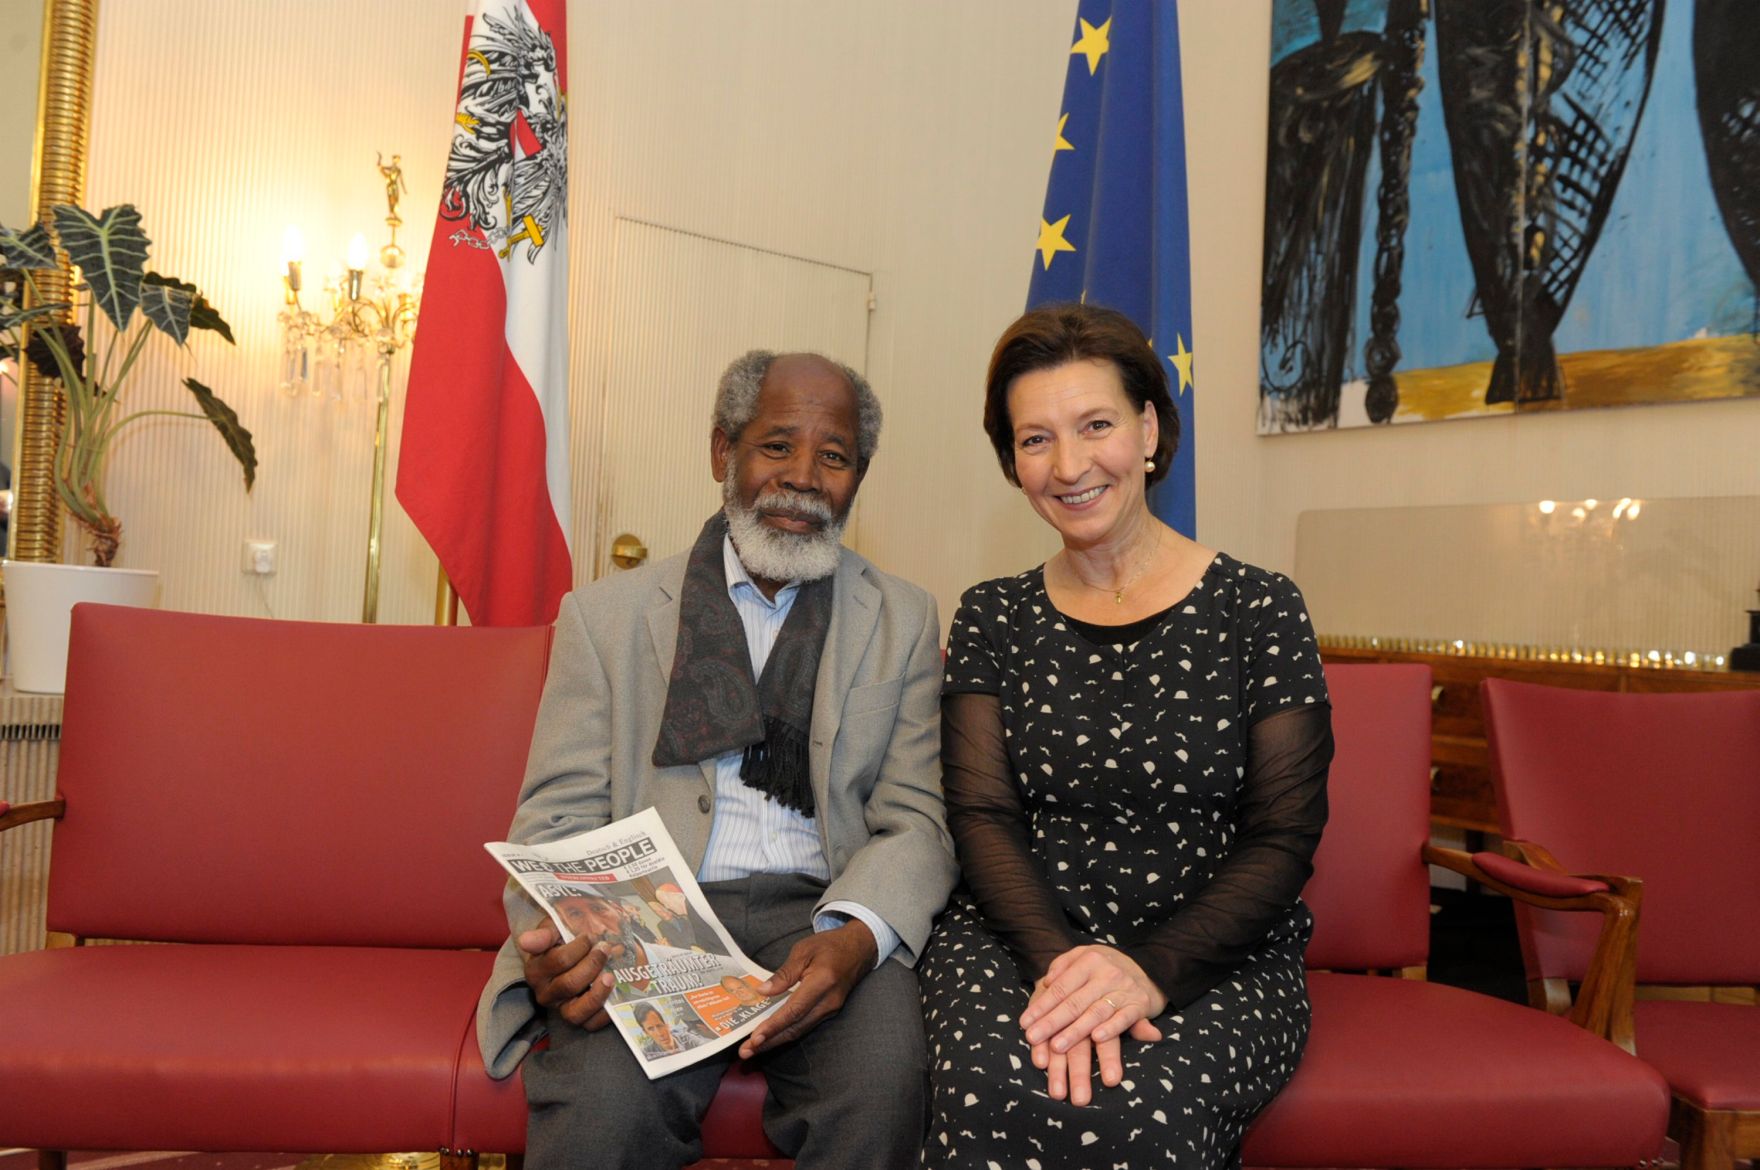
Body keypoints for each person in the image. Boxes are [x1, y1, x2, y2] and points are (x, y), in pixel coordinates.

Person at [477, 350, 957, 1170]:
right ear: (721, 453)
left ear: (857, 478)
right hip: (653, 920)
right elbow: (556, 819)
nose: (803, 478)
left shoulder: (905, 619)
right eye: (777, 446)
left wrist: (853, 938)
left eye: (833, 457)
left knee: (883, 1084)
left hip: (823, 911)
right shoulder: (606, 617)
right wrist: (566, 935)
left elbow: (916, 821)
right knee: (601, 1112)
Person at [919, 304, 1332, 1168]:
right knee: (986, 1093)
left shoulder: (1260, 608)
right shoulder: (992, 615)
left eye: (1096, 425)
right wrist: (1063, 969)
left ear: (1148, 429)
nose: (1069, 466)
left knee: (1135, 1119)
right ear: (1011, 460)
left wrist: (1145, 971)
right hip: (1017, 938)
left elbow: (1284, 835)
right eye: (1036, 439)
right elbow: (983, 816)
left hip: (1213, 949)